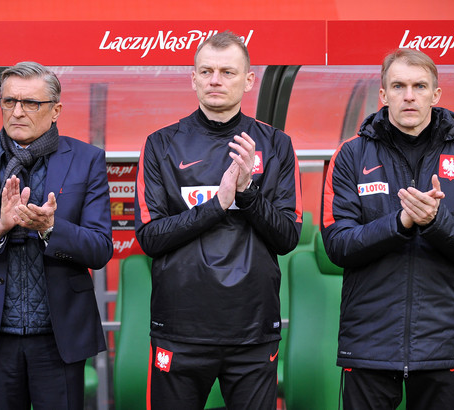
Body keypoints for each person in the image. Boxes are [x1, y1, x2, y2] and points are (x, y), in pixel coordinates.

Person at [321, 48, 454, 409]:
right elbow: (337, 245)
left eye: (419, 86)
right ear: (383, 95)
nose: (409, 96)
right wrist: (400, 224)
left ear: (436, 95)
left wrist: (437, 222)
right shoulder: (351, 155)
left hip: (442, 344)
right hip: (368, 344)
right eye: (398, 86)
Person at [135, 31, 302, 410]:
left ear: (248, 80)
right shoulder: (161, 144)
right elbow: (149, 237)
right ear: (192, 78)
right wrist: (218, 203)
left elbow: (287, 237)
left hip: (252, 330)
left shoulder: (276, 144)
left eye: (227, 72)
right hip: (180, 328)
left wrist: (246, 194)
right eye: (206, 71)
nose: (215, 80)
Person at [0, 61, 113, 409]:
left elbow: (99, 249)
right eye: (8, 101)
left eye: (30, 103)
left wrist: (49, 228)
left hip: (59, 337)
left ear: (56, 110)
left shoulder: (87, 160)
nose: (17, 111)